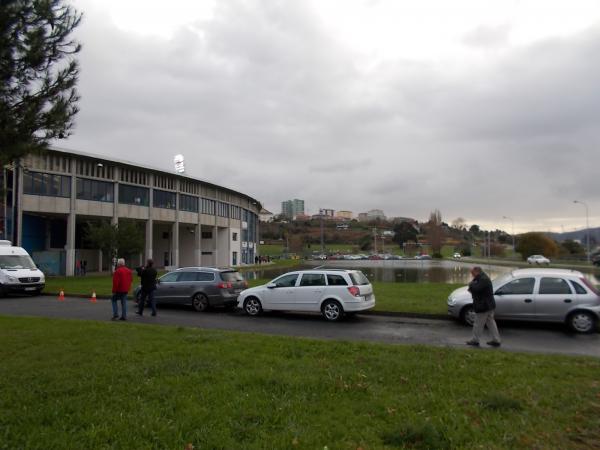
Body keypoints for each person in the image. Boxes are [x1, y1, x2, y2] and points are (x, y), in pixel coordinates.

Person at [466, 266, 501, 347]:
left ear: (476, 271)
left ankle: (475, 340)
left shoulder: (483, 279)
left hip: (484, 305)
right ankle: (496, 340)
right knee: (491, 323)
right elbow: (474, 289)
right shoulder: (481, 278)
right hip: (488, 305)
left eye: (472, 273)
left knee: (478, 323)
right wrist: (472, 286)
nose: (472, 275)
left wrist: (471, 284)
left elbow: (476, 289)